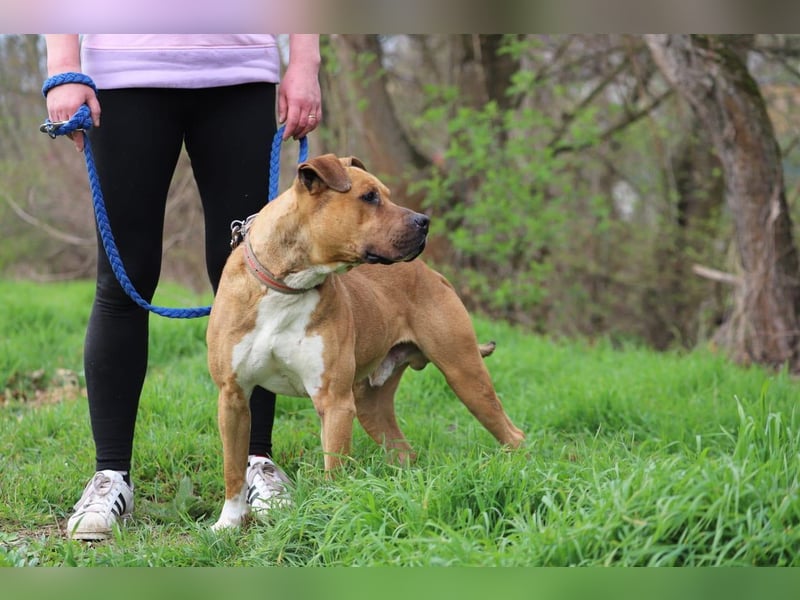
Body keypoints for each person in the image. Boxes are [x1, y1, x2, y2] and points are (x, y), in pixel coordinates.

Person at [43, 34, 322, 541]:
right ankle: (111, 477)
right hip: (124, 75)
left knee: (254, 279)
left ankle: (258, 464)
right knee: (124, 277)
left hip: (239, 74)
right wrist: (63, 65)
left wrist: (305, 60)